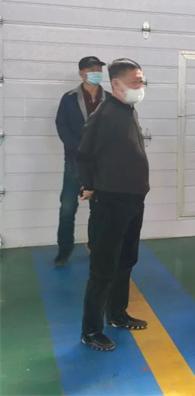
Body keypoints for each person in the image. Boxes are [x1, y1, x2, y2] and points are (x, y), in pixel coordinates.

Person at [77, 58, 149, 351]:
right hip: (110, 202)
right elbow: (84, 155)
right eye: (135, 82)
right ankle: (91, 330)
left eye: (141, 81)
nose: (140, 86)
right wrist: (89, 185)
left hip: (133, 200)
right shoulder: (103, 115)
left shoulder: (128, 110)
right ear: (116, 84)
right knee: (103, 268)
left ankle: (117, 314)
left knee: (125, 261)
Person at [54, 56, 109, 266]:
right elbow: (62, 125)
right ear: (81, 73)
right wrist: (79, 149)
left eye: (98, 69)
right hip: (75, 161)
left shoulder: (109, 99)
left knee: (100, 208)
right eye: (91, 69)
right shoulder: (69, 99)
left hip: (101, 162)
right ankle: (64, 251)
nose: (96, 73)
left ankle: (97, 248)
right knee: (68, 207)